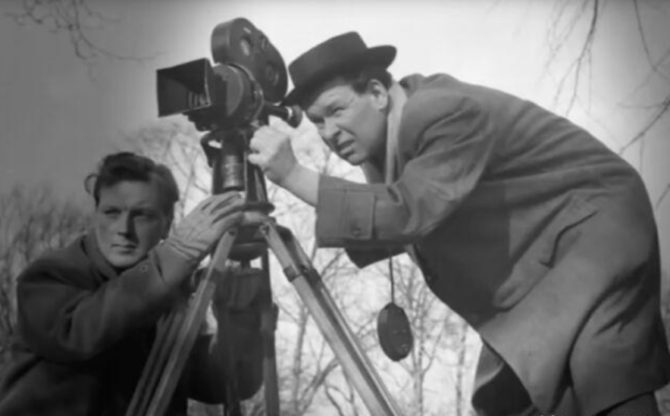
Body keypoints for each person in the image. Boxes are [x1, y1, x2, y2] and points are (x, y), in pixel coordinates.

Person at [247, 31, 670, 415]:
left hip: (594, 232)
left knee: (603, 376)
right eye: (317, 121)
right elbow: (407, 213)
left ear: (376, 92)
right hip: (541, 262)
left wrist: (294, 176)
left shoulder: (441, 112)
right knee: (507, 400)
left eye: (336, 110)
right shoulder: (389, 147)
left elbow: (409, 210)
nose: (329, 132)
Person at [0, 152, 266, 415]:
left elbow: (220, 383)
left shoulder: (171, 296)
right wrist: (176, 254)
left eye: (142, 215)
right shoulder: (52, 275)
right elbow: (78, 333)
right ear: (96, 216)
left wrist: (239, 323)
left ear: (167, 225)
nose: (123, 229)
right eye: (111, 212)